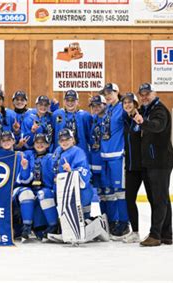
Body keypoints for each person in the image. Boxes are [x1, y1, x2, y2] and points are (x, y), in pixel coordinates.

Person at [132, 83, 173, 247]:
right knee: (162, 198)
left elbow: (158, 126)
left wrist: (144, 122)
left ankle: (155, 235)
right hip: (152, 161)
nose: (144, 97)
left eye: (147, 94)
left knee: (158, 199)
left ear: (154, 93)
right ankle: (166, 234)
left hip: (160, 162)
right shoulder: (147, 109)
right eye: (141, 94)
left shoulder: (159, 110)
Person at [100, 83, 130, 239]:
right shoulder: (108, 110)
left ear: (117, 92)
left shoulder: (123, 108)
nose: (107, 96)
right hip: (105, 156)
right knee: (109, 193)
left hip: (118, 155)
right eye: (105, 94)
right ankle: (113, 222)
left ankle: (125, 223)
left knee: (121, 192)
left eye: (110, 93)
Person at [17, 133, 58, 241]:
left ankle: (53, 226)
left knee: (43, 194)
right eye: (37, 142)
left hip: (45, 189)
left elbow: (55, 176)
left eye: (43, 143)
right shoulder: (28, 155)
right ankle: (26, 227)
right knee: (26, 193)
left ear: (47, 145)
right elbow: (24, 179)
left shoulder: (51, 158)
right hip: (31, 188)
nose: (40, 145)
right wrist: (25, 167)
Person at [51, 129, 94, 219]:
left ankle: (86, 221)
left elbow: (84, 170)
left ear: (72, 139)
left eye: (67, 139)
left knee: (82, 215)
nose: (65, 142)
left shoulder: (78, 151)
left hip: (77, 190)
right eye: (62, 140)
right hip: (61, 188)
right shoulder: (57, 151)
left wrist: (71, 170)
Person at [121, 92, 143, 243]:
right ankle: (135, 232)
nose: (127, 105)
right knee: (129, 199)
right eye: (125, 103)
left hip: (145, 167)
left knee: (155, 200)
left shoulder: (141, 118)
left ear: (135, 104)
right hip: (130, 167)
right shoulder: (126, 120)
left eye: (130, 102)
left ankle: (158, 231)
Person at [88, 95, 111, 223]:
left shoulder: (109, 118)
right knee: (101, 194)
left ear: (105, 104)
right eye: (93, 106)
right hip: (95, 161)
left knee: (110, 193)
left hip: (106, 161)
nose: (96, 108)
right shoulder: (94, 119)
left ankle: (115, 220)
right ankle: (105, 219)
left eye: (99, 105)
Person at [52, 90, 92, 158]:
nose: (70, 103)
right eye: (68, 100)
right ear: (64, 101)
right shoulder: (56, 114)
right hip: (61, 153)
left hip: (80, 153)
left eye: (73, 100)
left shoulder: (85, 116)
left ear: (77, 101)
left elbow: (89, 135)